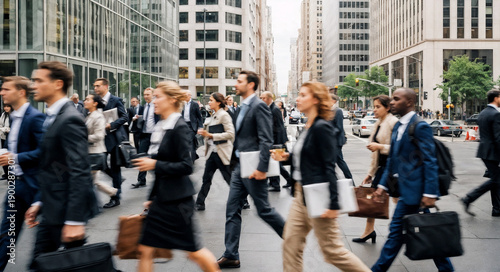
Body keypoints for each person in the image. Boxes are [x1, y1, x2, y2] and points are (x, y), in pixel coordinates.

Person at [272, 82, 370, 272]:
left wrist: (333, 205)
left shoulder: (322, 127)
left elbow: (328, 166)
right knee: (290, 246)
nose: (297, 99)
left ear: (315, 99)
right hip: (301, 196)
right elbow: (307, 157)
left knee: (332, 252)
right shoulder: (309, 125)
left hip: (319, 197)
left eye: (302, 95)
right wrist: (287, 157)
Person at [132, 81, 220, 272]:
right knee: (145, 250)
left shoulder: (179, 127)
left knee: (194, 252)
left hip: (178, 201)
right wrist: (151, 198)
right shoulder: (162, 125)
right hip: (162, 199)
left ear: (172, 100)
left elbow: (186, 166)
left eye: (158, 97)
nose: (154, 101)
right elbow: (160, 169)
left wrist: (154, 163)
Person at [371, 88, 454, 272]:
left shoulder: (419, 126)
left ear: (409, 102)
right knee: (428, 232)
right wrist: (383, 185)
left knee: (396, 234)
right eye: (391, 99)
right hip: (407, 190)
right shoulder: (400, 125)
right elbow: (393, 159)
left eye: (396, 99)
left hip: (416, 192)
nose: (391, 102)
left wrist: (430, 193)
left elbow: (430, 161)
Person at [27, 61, 99, 269]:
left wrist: (75, 220)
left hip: (65, 211)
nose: (34, 86)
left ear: (58, 84)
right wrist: (39, 202)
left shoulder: (69, 119)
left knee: (46, 264)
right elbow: (55, 166)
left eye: (39, 81)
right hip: (53, 207)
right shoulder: (54, 116)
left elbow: (80, 170)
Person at [217, 71, 285, 269]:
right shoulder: (242, 108)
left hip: (254, 166)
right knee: (232, 209)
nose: (235, 84)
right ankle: (231, 255)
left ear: (251, 85)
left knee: (263, 209)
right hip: (240, 166)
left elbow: (266, 139)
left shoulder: (259, 107)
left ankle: (292, 237)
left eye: (239, 81)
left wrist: (262, 168)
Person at [0, 76, 45, 271]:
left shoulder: (35, 118)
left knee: (44, 240)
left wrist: (15, 158)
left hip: (35, 186)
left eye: (6, 89)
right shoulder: (12, 116)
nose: (2, 92)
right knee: (6, 235)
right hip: (16, 185)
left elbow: (44, 152)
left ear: (21, 92)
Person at [353, 95, 398, 243]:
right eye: (374, 106)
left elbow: (399, 149)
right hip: (382, 167)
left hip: (393, 167)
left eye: (378, 106)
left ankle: (411, 228)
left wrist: (379, 146)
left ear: (387, 107)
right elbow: (375, 154)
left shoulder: (393, 122)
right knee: (373, 198)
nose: (375, 109)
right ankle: (369, 231)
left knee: (399, 201)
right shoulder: (379, 123)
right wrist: (370, 173)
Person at [461, 89, 500, 217]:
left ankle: (497, 209)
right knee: (496, 179)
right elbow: (497, 137)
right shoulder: (495, 114)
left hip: (485, 151)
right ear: (496, 98)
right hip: (492, 152)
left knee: (496, 179)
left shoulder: (483, 113)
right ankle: (468, 198)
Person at [195, 93, 235, 211]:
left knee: (229, 179)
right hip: (212, 153)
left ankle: (243, 200)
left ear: (218, 102)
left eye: (211, 100)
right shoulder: (213, 115)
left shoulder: (224, 115)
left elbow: (230, 134)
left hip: (222, 153)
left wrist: (211, 135)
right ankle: (200, 202)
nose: (209, 102)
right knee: (206, 178)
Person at [93, 78, 128, 208]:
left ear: (106, 86)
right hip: (101, 139)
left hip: (113, 138)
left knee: (115, 167)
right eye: (94, 86)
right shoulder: (96, 101)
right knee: (99, 164)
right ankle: (116, 179)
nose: (95, 88)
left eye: (98, 86)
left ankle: (115, 197)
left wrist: (111, 125)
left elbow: (125, 117)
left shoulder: (116, 100)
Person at [84, 93, 119, 199]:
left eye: (88, 99)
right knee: (92, 180)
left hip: (95, 153)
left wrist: (83, 138)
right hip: (90, 152)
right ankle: (113, 192)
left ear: (95, 103)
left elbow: (99, 136)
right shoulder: (89, 115)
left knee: (90, 180)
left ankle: (112, 192)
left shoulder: (98, 116)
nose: (85, 101)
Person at [259, 91, 292, 191]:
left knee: (276, 162)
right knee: (275, 162)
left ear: (269, 98)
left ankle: (278, 183)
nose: (261, 100)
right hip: (273, 140)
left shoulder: (275, 109)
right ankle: (276, 182)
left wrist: (275, 143)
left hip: (276, 141)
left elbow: (279, 127)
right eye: (261, 98)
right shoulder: (270, 108)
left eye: (263, 98)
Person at [131, 88, 159, 189]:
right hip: (144, 134)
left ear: (153, 95)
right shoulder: (145, 106)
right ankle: (141, 180)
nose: (146, 96)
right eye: (144, 94)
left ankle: (159, 181)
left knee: (155, 158)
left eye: (148, 94)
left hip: (155, 135)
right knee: (142, 156)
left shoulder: (156, 105)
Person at [331, 95, 353, 182]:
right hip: (332, 141)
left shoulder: (338, 111)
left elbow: (339, 127)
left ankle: (350, 181)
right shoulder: (329, 111)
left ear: (333, 101)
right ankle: (336, 181)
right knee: (332, 162)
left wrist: (328, 132)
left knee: (339, 161)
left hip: (337, 141)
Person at [182, 91, 203, 163]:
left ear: (189, 96)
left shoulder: (195, 104)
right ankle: (194, 156)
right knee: (191, 143)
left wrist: (200, 127)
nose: (184, 97)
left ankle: (190, 160)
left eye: (185, 95)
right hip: (184, 125)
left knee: (189, 140)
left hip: (192, 126)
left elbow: (199, 117)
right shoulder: (182, 104)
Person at [0, 104, 12, 180]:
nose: (6, 108)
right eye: (5, 106)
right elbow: (0, 125)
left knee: (9, 155)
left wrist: (5, 129)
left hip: (10, 137)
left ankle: (10, 174)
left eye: (8, 106)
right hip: (3, 136)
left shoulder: (13, 115)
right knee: (3, 154)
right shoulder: (3, 115)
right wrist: (5, 129)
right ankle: (6, 173)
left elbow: (11, 128)